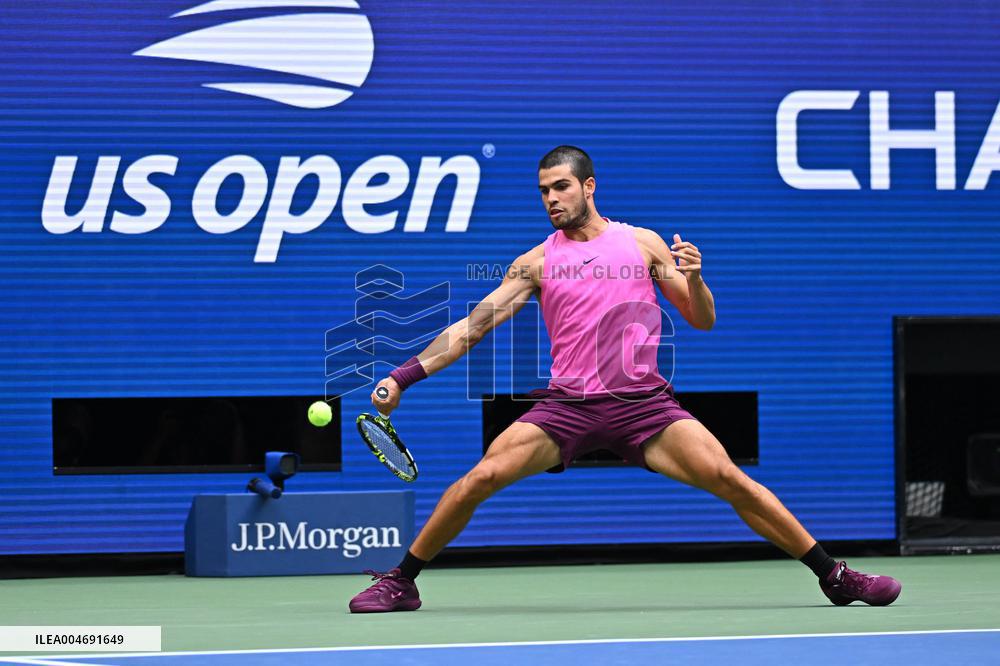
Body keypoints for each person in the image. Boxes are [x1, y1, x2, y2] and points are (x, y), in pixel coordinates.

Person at [348, 145, 901, 613]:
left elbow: (701, 319)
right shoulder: (534, 263)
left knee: (729, 479)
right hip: (568, 406)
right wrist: (403, 376)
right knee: (481, 478)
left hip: (644, 406)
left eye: (561, 187)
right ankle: (403, 582)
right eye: (543, 191)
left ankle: (835, 576)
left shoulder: (642, 244)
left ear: (589, 186)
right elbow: (472, 327)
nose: (551, 199)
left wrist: (697, 279)